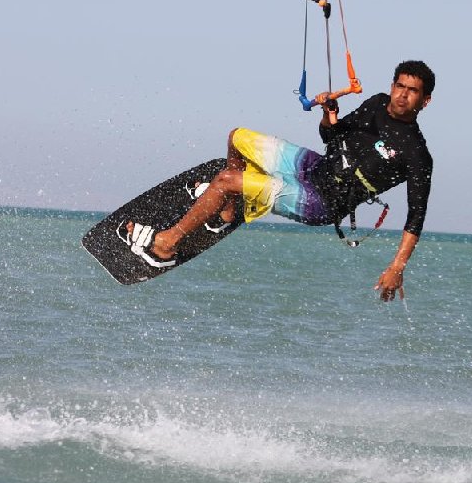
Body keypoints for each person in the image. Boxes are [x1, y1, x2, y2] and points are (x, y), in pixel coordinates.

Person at [126, 59, 435, 302]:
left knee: (225, 181)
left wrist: (397, 267)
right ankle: (227, 212)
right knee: (237, 137)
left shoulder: (417, 154)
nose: (402, 94)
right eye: (399, 85)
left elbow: (416, 216)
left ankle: (166, 246)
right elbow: (330, 136)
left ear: (425, 101)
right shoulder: (376, 103)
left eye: (412, 91)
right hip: (314, 167)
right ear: (392, 86)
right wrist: (328, 114)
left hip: (321, 202)